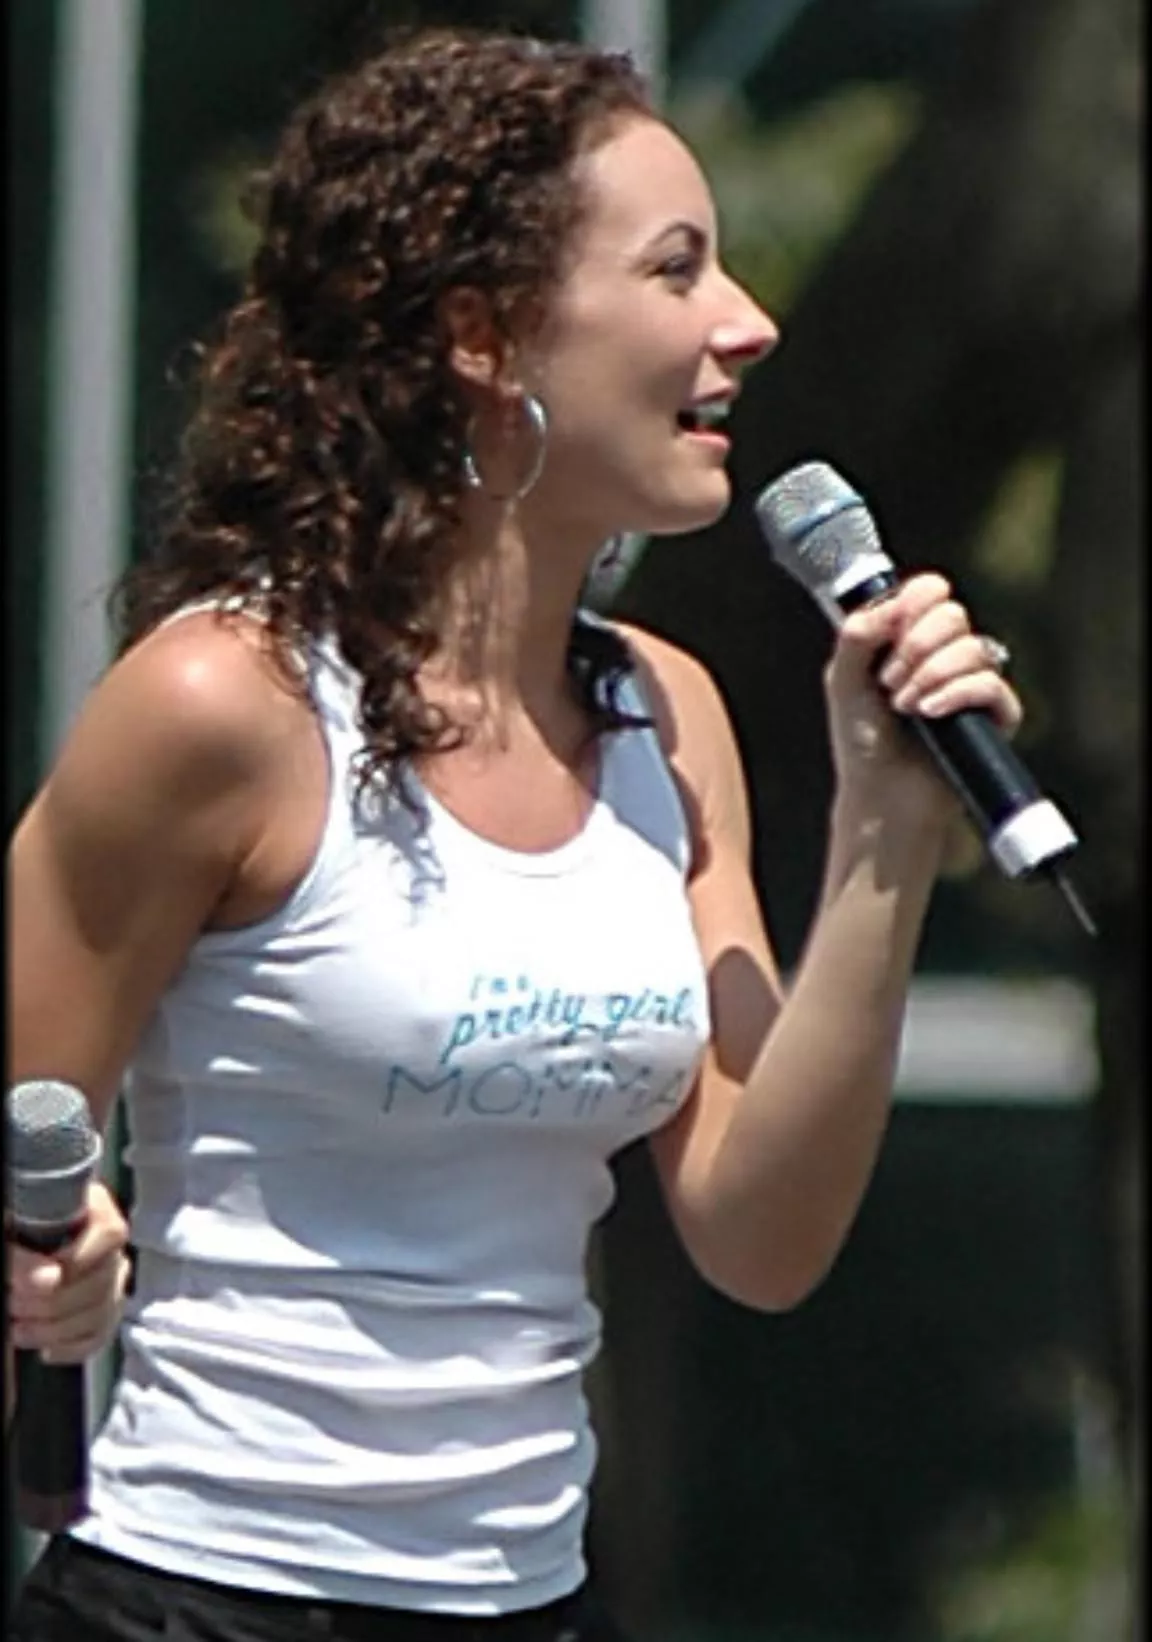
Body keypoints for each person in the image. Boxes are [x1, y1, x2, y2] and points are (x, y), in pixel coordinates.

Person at [6, 23, 1021, 1642]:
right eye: (678, 270)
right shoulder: (227, 704)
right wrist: (50, 1254)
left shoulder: (666, 717)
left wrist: (888, 837)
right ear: (484, 335)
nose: (748, 324)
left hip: (533, 1599)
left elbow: (761, 1229)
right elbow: (22, 1124)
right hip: (200, 1594)